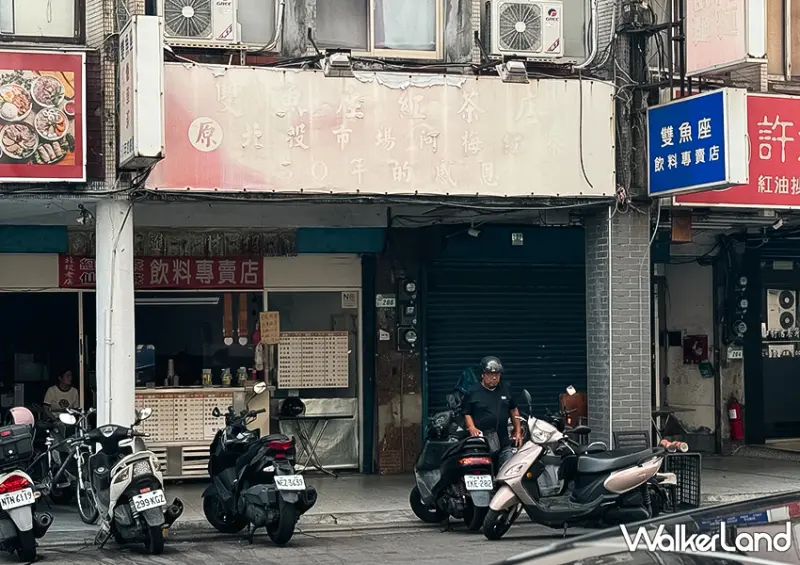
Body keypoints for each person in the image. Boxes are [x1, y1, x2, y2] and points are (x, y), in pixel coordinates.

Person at [463, 356, 522, 466]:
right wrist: (472, 427)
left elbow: (514, 410)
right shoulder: (473, 391)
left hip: (503, 441)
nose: (494, 377)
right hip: (482, 442)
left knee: (507, 471)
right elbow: (467, 413)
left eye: (497, 374)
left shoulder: (506, 388)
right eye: (490, 374)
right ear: (483, 374)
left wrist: (518, 431)